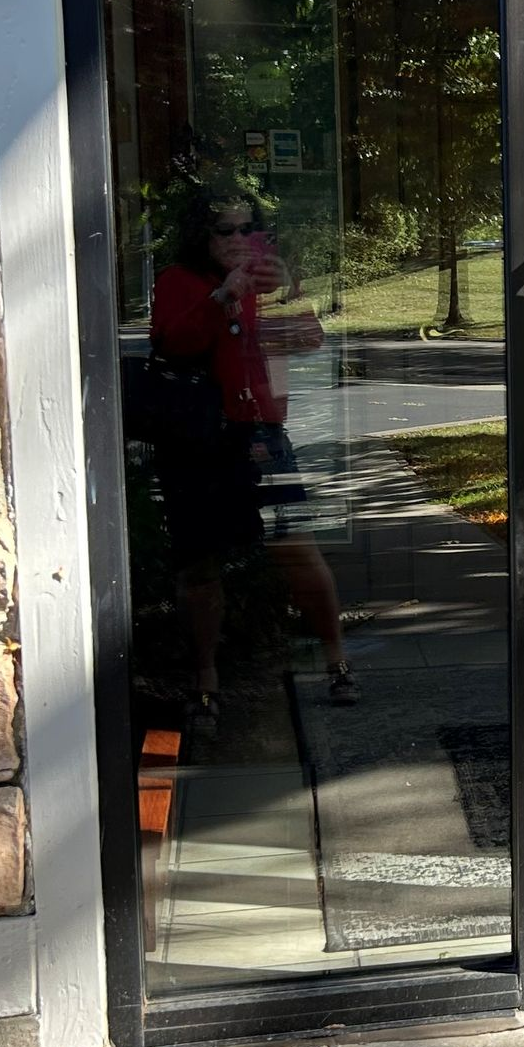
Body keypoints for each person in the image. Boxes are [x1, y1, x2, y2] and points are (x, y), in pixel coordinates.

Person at [150, 188, 358, 726]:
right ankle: (205, 681)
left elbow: (308, 340)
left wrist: (284, 293)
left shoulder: (268, 282)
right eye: (225, 230)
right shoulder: (178, 280)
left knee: (297, 548)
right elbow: (174, 344)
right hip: (198, 440)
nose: (238, 239)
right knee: (200, 562)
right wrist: (223, 296)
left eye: (248, 228)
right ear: (201, 235)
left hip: (262, 433)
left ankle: (336, 662)